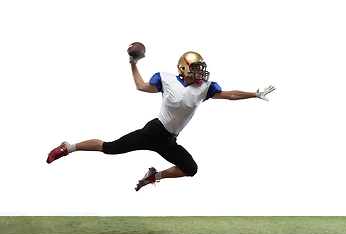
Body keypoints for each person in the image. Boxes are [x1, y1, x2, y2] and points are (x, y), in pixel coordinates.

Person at [47, 51, 275, 191]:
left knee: (191, 169)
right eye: (196, 68)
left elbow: (230, 94)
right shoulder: (166, 79)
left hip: (169, 141)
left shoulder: (205, 88)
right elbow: (141, 86)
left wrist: (254, 94)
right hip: (152, 132)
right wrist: (133, 63)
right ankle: (68, 147)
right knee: (109, 148)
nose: (200, 72)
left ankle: (153, 177)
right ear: (184, 67)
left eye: (201, 68)